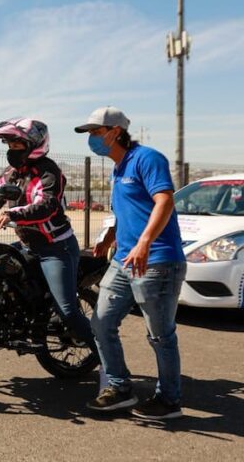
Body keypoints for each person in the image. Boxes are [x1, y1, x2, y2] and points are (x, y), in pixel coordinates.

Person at [76, 106, 186, 419]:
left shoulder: (148, 159)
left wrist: (144, 242)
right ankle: (120, 387)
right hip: (124, 261)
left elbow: (164, 201)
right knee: (101, 322)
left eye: (96, 133)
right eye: (91, 134)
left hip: (157, 262)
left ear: (115, 132)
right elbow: (127, 210)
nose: (92, 139)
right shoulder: (118, 167)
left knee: (160, 335)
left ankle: (169, 400)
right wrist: (110, 235)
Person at [0, 117, 97, 354]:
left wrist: (11, 214)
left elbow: (46, 205)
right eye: (9, 146)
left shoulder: (49, 172)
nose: (11, 151)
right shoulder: (12, 173)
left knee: (67, 310)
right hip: (27, 244)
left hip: (54, 248)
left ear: (34, 145)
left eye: (17, 145)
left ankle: (108, 363)